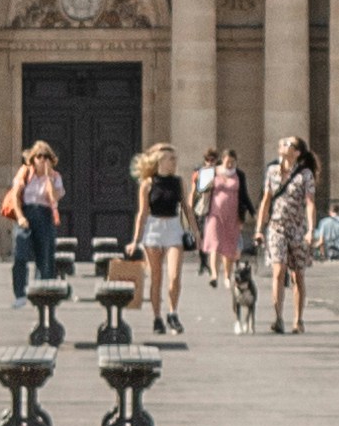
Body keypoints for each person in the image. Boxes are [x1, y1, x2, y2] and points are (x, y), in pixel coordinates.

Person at [131, 139, 190, 338]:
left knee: (174, 276)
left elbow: (186, 207)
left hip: (173, 227)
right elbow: (142, 213)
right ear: (160, 160)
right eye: (170, 158)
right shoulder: (147, 185)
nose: (174, 162)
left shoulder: (178, 181)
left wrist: (195, 231)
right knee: (156, 277)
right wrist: (135, 240)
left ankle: (173, 313)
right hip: (153, 229)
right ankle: (157, 317)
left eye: (175, 158)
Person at [262, 136, 320, 337]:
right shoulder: (271, 171)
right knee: (278, 270)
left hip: (297, 229)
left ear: (297, 152)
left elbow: (310, 203)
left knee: (297, 275)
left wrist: (311, 230)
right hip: (276, 227)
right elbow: (266, 200)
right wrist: (259, 229)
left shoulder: (305, 175)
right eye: (283, 143)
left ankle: (298, 319)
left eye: (289, 144)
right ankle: (278, 318)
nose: (284, 145)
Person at [200, 145, 254, 333]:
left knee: (229, 248)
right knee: (214, 244)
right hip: (215, 213)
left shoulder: (239, 174)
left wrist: (249, 212)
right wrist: (206, 173)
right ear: (222, 159)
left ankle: (226, 275)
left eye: (232, 161)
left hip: (233, 216)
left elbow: (244, 194)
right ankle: (214, 274)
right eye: (227, 160)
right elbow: (201, 189)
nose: (230, 163)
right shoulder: (212, 171)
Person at [9, 140, 67, 303]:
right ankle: (20, 293)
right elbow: (15, 195)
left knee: (45, 257)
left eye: (46, 156)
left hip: (44, 214)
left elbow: (54, 198)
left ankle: (42, 295)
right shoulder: (25, 172)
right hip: (26, 213)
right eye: (39, 156)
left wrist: (48, 178)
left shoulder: (55, 177)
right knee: (20, 254)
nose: (42, 160)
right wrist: (20, 216)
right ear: (33, 158)